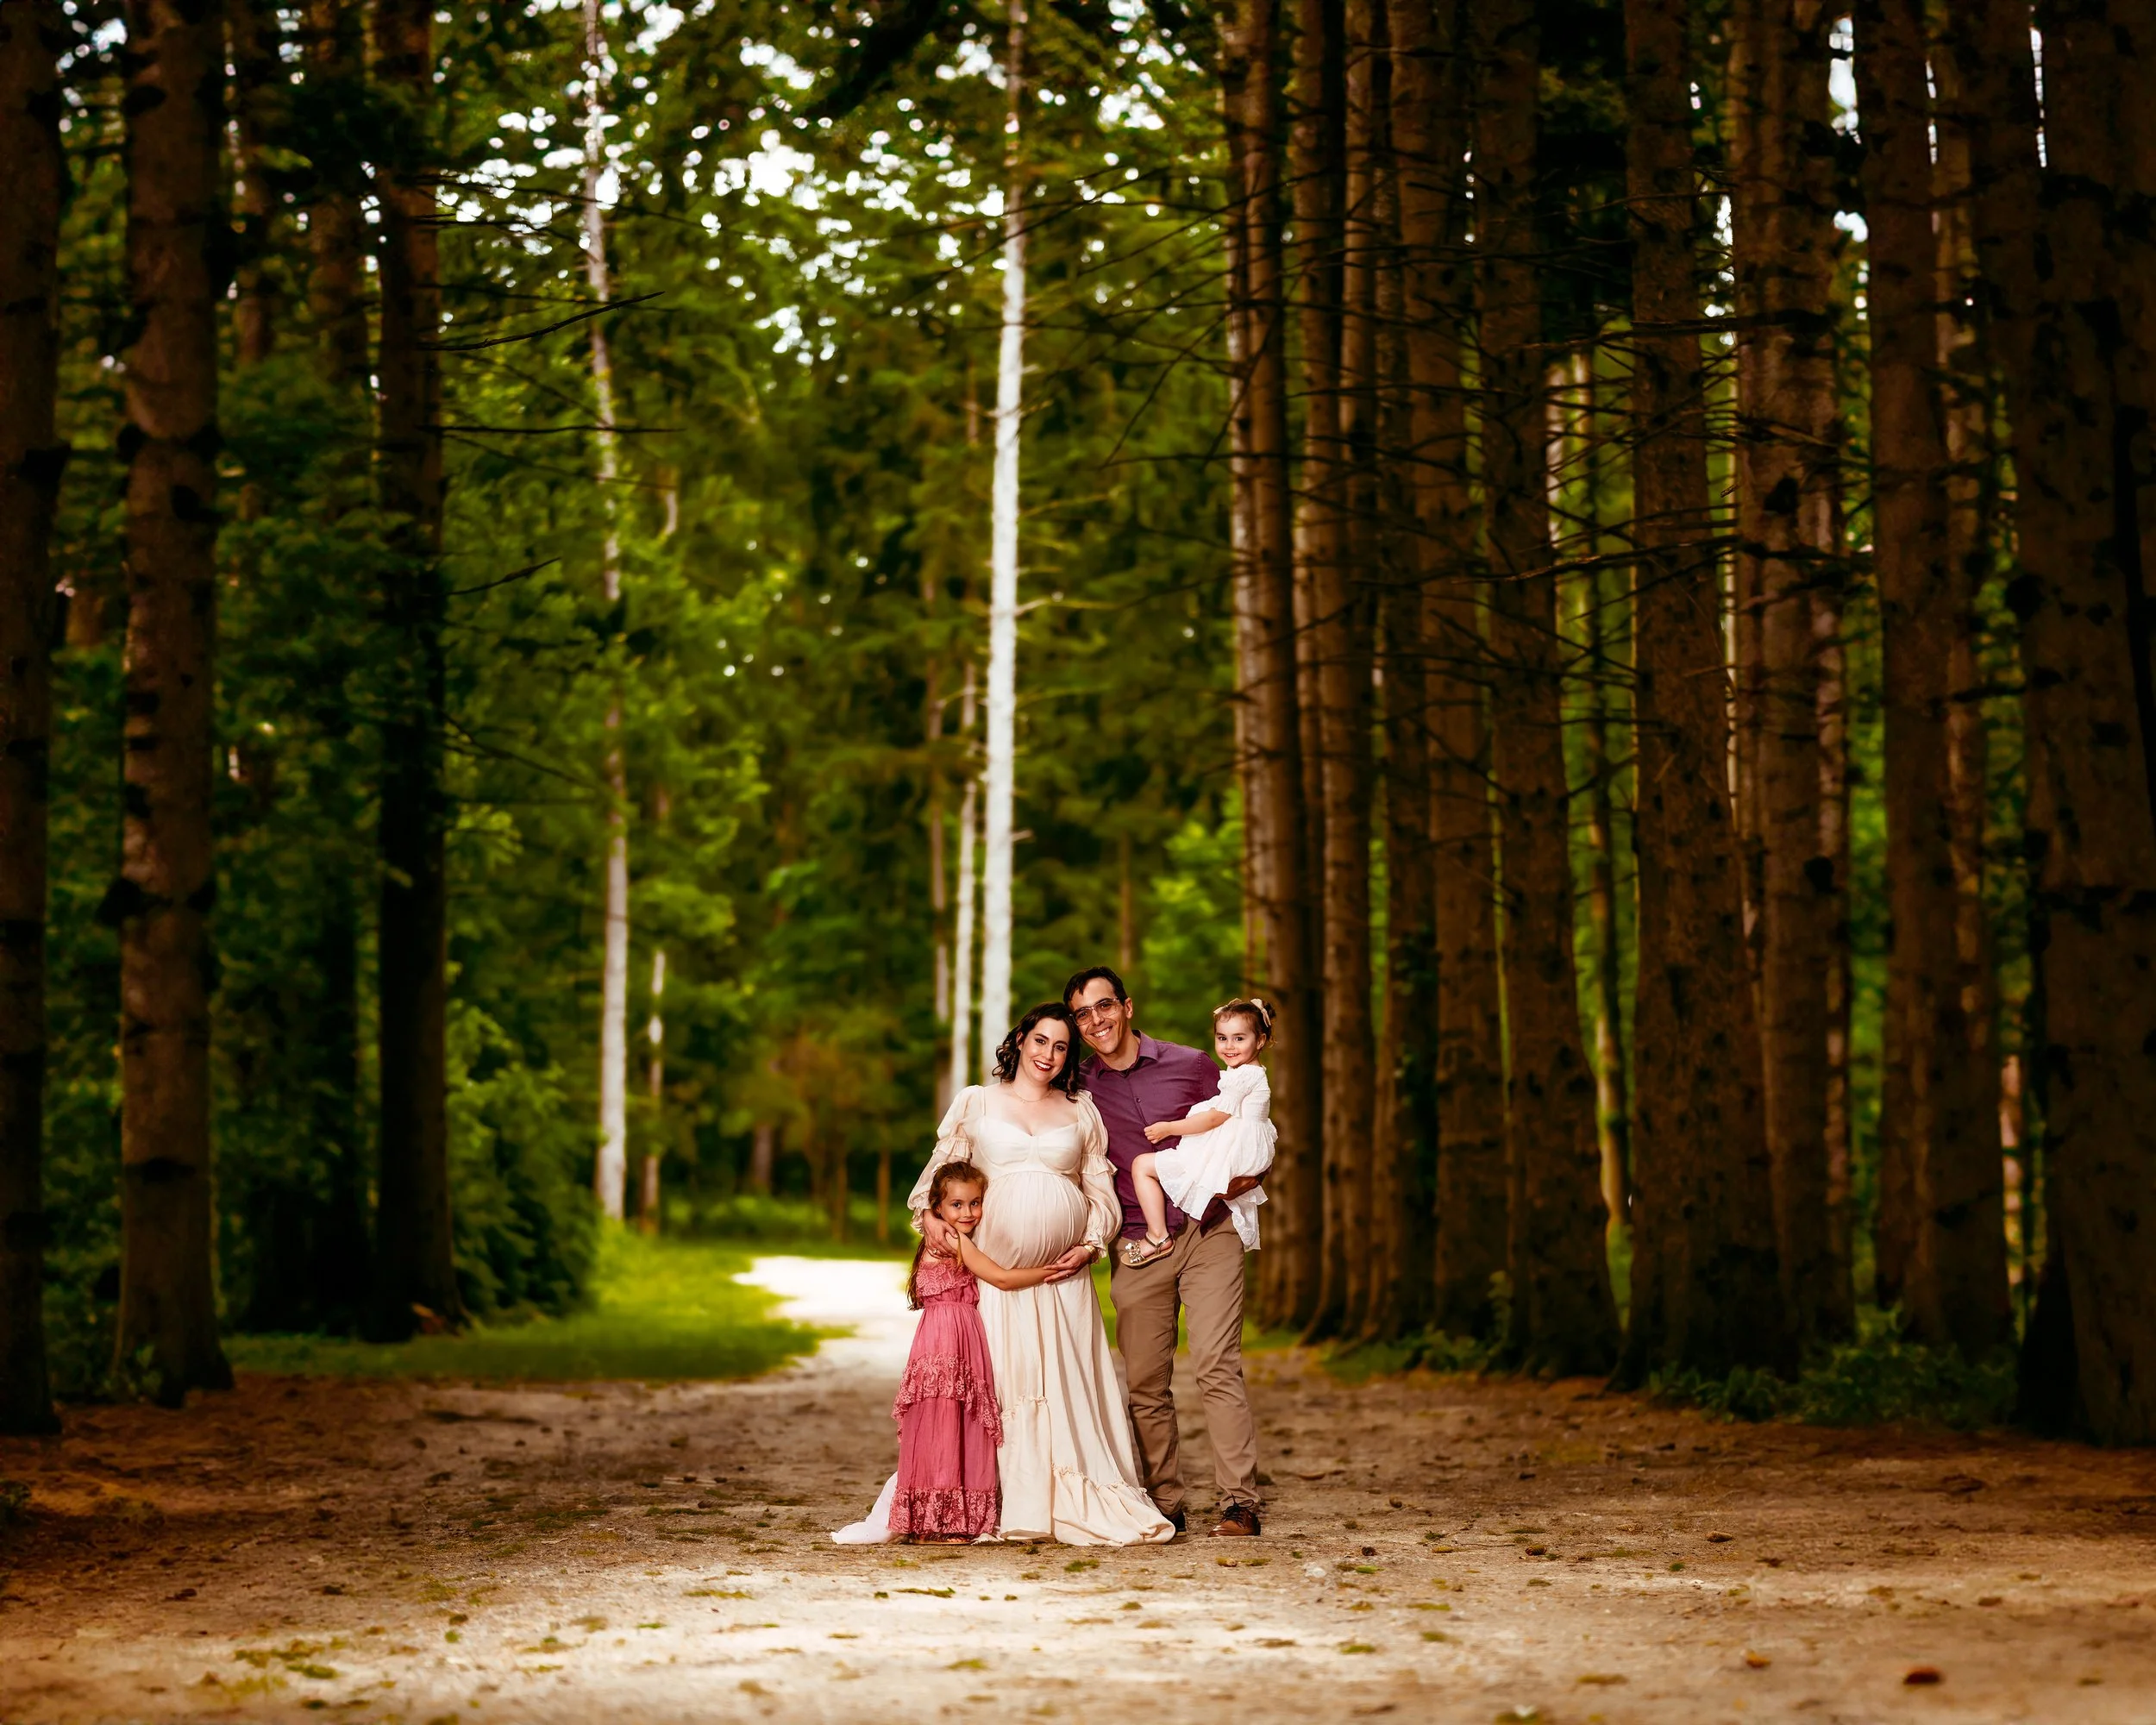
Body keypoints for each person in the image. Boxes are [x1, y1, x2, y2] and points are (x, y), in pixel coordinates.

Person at [907, 1004, 1174, 1546]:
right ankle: (994, 1497)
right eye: (1040, 1041)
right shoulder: (977, 1102)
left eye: (1060, 1046)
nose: (1048, 1054)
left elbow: (1100, 1193)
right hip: (995, 1281)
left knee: (1061, 1388)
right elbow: (938, 1179)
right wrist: (931, 1218)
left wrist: (1091, 1245)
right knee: (1005, 1384)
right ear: (1020, 1040)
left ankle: (1070, 1496)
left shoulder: (1080, 1110)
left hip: (1062, 1281)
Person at [1066, 966, 1267, 1538]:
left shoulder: (1193, 1064)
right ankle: (1165, 1503)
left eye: (1104, 1005)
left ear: (1127, 1007)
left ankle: (1239, 1504)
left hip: (1209, 1231)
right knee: (1145, 1383)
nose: (1096, 1020)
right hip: (1138, 1242)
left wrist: (1243, 1181)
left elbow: (1248, 1126)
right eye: (1082, 1014)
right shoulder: (1077, 1089)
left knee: (1217, 1365)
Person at [883, 1160, 1069, 1543]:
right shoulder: (954, 1240)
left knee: (951, 1422)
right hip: (950, 1338)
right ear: (937, 1207)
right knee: (945, 1422)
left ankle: (942, 1519)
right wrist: (1050, 1271)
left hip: (948, 1336)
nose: (967, 1212)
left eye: (975, 1203)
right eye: (957, 1204)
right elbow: (1001, 1278)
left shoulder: (943, 1234)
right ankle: (941, 1521)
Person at [1122, 998, 1276, 1266]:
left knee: (1141, 1166)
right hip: (1242, 1147)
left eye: (1239, 1038)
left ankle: (1158, 1236)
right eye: (1222, 1038)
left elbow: (1215, 1118)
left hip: (1232, 1153)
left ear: (1260, 1041)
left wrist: (1169, 1128)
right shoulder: (1245, 1072)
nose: (1229, 1046)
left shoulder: (1245, 1077)